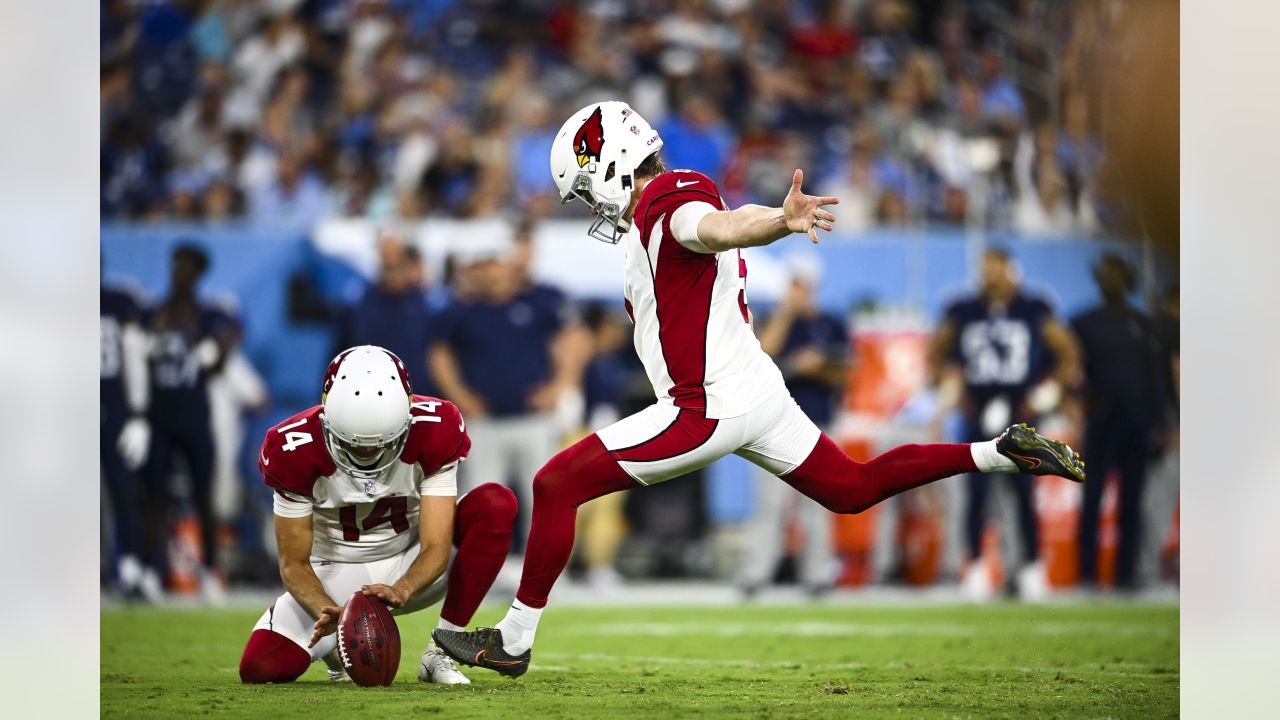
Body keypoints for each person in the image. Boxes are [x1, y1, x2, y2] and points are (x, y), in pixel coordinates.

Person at [432, 101, 1087, 677]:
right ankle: (997, 451)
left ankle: (514, 639)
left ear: (613, 165)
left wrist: (777, 220)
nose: (589, 203)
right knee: (852, 489)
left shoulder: (669, 199)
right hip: (757, 394)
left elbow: (716, 225)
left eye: (587, 187)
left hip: (707, 406)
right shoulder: (661, 209)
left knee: (554, 483)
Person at [238, 346, 517, 686]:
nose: (367, 455)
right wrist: (328, 610)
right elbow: (293, 564)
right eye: (354, 445)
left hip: (414, 559)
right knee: (261, 668)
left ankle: (442, 651)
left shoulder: (435, 427)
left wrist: (404, 587)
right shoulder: (292, 448)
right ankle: (335, 654)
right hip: (333, 573)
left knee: (495, 505)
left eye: (380, 444)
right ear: (326, 413)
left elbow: (436, 545)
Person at [928, 247, 1082, 600]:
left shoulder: (1033, 307)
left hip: (1021, 410)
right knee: (976, 493)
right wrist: (952, 384)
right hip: (977, 409)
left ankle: (1029, 568)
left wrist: (1052, 390)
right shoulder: (963, 308)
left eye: (996, 267)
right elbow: (936, 353)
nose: (990, 275)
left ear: (1011, 271)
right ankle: (978, 568)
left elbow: (1068, 351)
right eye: (985, 268)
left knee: (1023, 491)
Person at [429, 236, 588, 549]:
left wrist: (559, 386)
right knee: (482, 502)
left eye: (496, 264)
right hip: (485, 422)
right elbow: (439, 355)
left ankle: (545, 575)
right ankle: (478, 573)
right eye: (485, 266)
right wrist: (460, 396)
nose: (491, 273)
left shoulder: (538, 301)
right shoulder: (462, 309)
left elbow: (575, 340)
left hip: (533, 419)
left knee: (543, 500)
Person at [737, 254, 845, 597]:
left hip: (817, 421)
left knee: (818, 502)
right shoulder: (777, 319)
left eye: (803, 285)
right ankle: (757, 573)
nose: (798, 291)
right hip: (774, 424)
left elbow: (847, 372)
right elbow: (763, 353)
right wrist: (786, 313)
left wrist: (817, 367)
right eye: (794, 284)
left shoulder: (832, 324)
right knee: (771, 504)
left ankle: (818, 574)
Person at [142, 243, 237, 602]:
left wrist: (217, 347)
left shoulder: (208, 315)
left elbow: (219, 361)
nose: (179, 271)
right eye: (176, 264)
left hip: (194, 417)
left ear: (199, 273)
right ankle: (151, 569)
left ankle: (211, 570)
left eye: (187, 266)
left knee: (203, 496)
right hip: (158, 417)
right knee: (154, 497)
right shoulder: (154, 313)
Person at [1071, 253, 1165, 590]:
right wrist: (1078, 401)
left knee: (1131, 503)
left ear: (1128, 278)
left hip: (1136, 425)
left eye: (1115, 273)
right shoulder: (1082, 323)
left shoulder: (1144, 323)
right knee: (1091, 499)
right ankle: (1086, 574)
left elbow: (1155, 378)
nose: (1109, 280)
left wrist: (1161, 424)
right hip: (1100, 424)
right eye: (1103, 273)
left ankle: (1126, 575)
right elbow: (1071, 371)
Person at [101, 275, 160, 600]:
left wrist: (137, 414)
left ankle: (129, 565)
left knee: (123, 491)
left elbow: (134, 358)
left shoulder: (118, 302)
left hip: (113, 411)